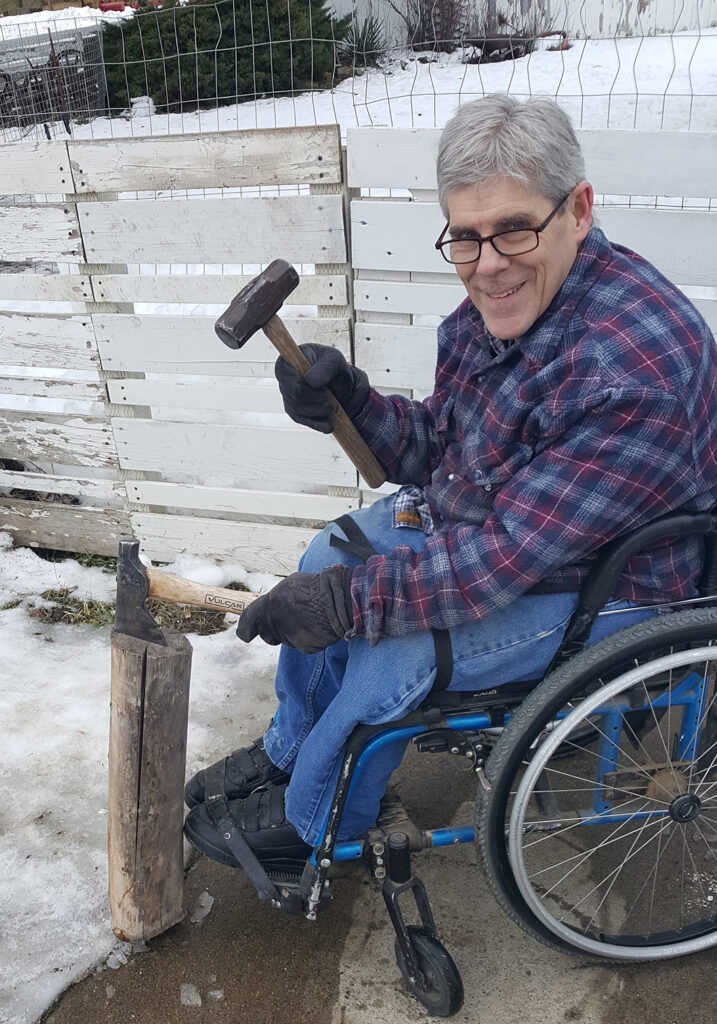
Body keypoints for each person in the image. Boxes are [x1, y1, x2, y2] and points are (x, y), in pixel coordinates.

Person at [183, 94, 717, 873]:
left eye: (512, 228)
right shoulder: (515, 301)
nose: (488, 262)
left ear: (578, 207)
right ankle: (292, 751)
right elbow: (449, 447)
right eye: (464, 238)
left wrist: (351, 605)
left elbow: (499, 560)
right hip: (526, 539)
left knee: (383, 654)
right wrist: (354, 407)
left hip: (615, 588)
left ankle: (315, 824)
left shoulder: (627, 372)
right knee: (327, 552)